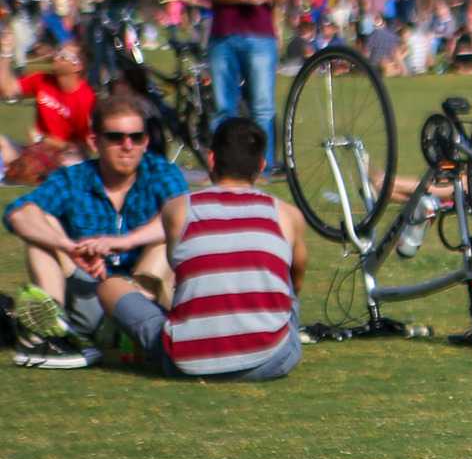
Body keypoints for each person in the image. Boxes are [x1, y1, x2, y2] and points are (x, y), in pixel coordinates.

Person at [71, 119, 310, 381]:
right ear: (262, 166)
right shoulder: (286, 214)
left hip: (186, 360)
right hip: (271, 359)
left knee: (110, 287)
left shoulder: (178, 209)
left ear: (211, 159)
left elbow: (179, 271)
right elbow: (296, 280)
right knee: (286, 273)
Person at [6, 94, 193, 368]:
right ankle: (54, 332)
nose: (127, 146)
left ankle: (134, 331)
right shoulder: (74, 177)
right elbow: (17, 213)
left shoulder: (161, 173)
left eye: (136, 137)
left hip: (141, 296)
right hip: (87, 291)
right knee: (41, 225)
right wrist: (68, 246)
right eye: (116, 137)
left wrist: (125, 242)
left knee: (166, 237)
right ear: (95, 141)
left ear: (145, 141)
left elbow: (185, 215)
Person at [197, 0, 287, 171]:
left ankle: (264, 163)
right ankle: (223, 164)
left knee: (262, 106)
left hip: (260, 37)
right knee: (223, 107)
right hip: (223, 36)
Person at [1, 39, 96, 185]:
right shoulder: (42, 79)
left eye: (64, 55)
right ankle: (21, 174)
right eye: (58, 52)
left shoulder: (86, 99)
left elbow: (85, 148)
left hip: (65, 156)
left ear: (78, 66)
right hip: (35, 150)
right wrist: (5, 53)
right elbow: (7, 90)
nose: (56, 57)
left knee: (71, 163)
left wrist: (45, 141)